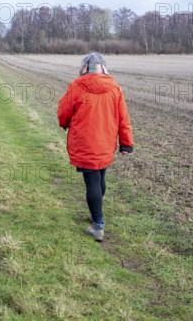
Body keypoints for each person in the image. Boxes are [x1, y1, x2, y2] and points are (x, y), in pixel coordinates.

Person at [57, 53, 134, 242]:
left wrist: (64, 123)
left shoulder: (76, 86)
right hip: (105, 141)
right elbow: (123, 117)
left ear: (85, 67)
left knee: (92, 181)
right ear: (103, 67)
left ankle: (98, 225)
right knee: (99, 177)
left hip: (84, 142)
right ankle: (95, 213)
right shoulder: (114, 87)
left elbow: (63, 112)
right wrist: (126, 143)